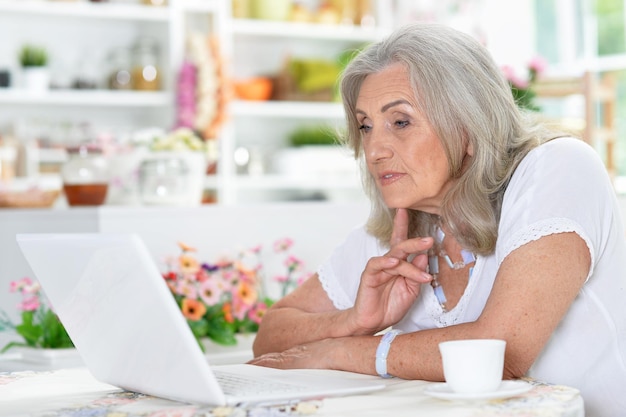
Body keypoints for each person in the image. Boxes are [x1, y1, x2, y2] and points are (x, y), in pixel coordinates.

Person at [248, 23, 626, 416]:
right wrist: (354, 320)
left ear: (467, 126)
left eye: (400, 122)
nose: (374, 149)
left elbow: (501, 352)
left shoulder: (558, 167)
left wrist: (341, 350)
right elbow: (271, 335)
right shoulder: (397, 227)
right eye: (365, 126)